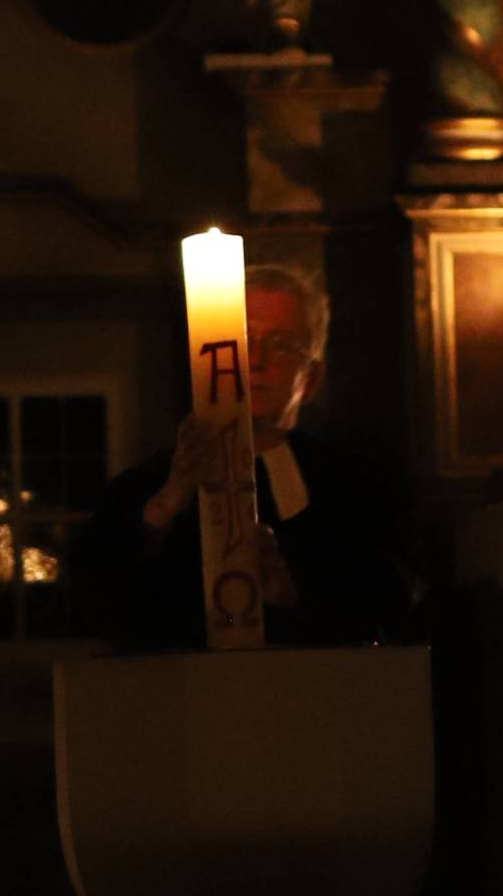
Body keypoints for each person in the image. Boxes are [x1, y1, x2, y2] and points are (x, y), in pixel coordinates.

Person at [79, 263, 417, 651]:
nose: (254, 360)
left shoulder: (358, 489)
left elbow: (392, 613)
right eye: (240, 341)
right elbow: (104, 611)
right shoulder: (144, 487)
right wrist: (163, 510)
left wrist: (293, 597)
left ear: (311, 378)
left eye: (280, 344)